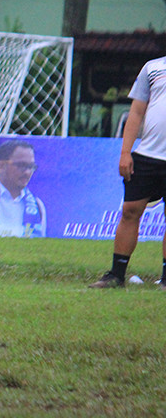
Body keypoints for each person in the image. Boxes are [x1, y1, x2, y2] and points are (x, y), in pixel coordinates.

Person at [90, 54, 166, 289]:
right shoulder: (153, 68)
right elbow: (136, 112)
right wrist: (125, 152)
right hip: (147, 156)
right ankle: (116, 275)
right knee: (130, 211)